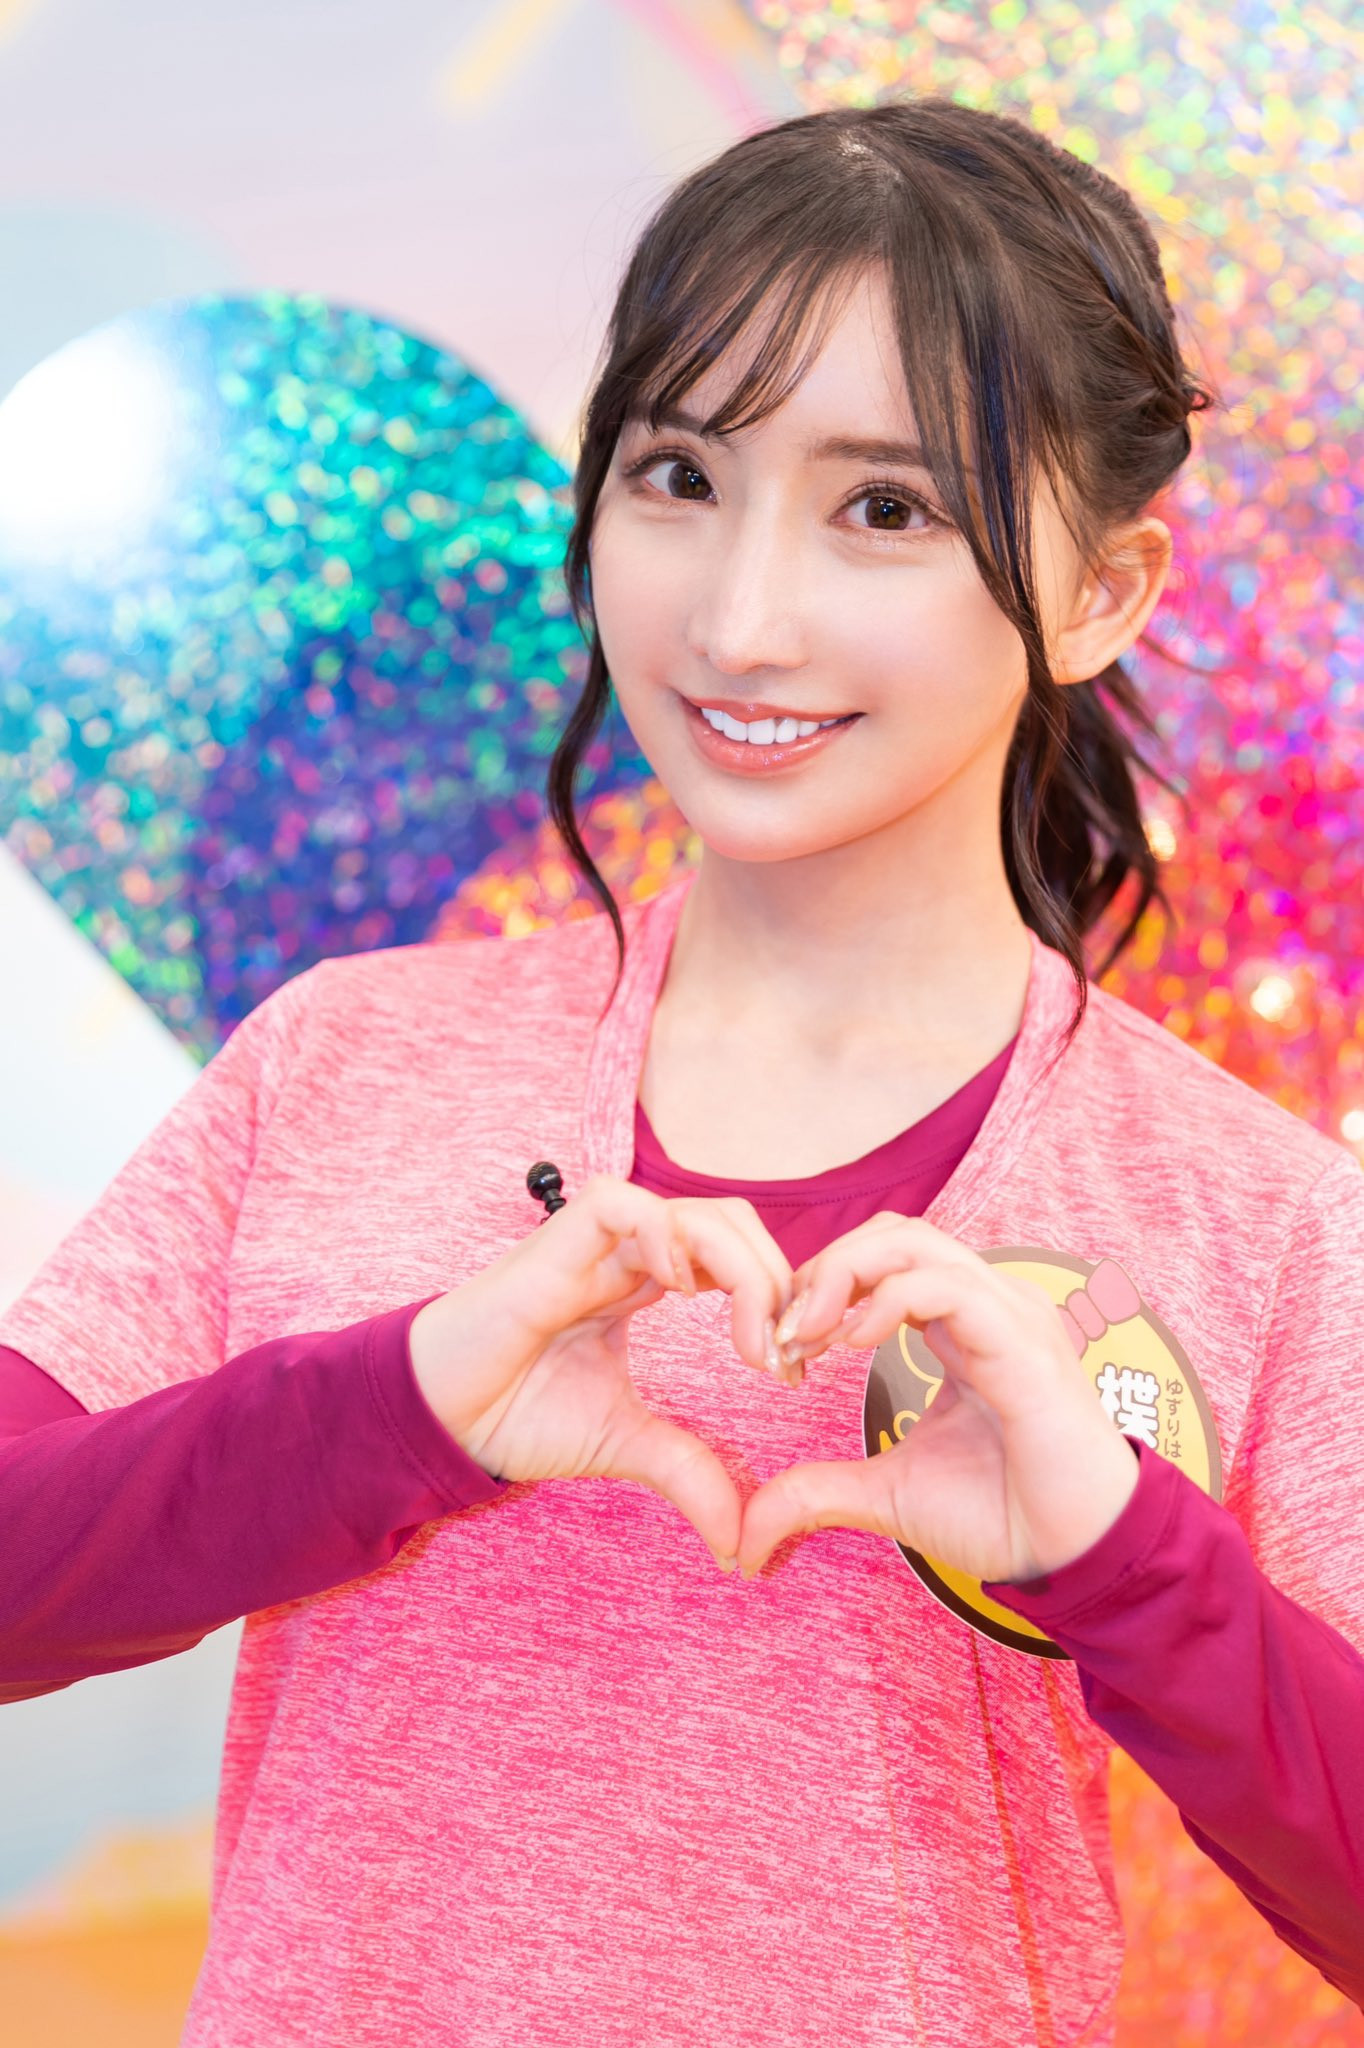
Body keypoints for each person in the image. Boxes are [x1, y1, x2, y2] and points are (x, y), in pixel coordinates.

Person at [2, 96, 1361, 2047]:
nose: (737, 618)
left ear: (1104, 591)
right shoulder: (341, 1059)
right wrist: (396, 1408)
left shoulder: (1259, 1218)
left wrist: (1122, 1555)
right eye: (678, 475)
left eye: (884, 509)